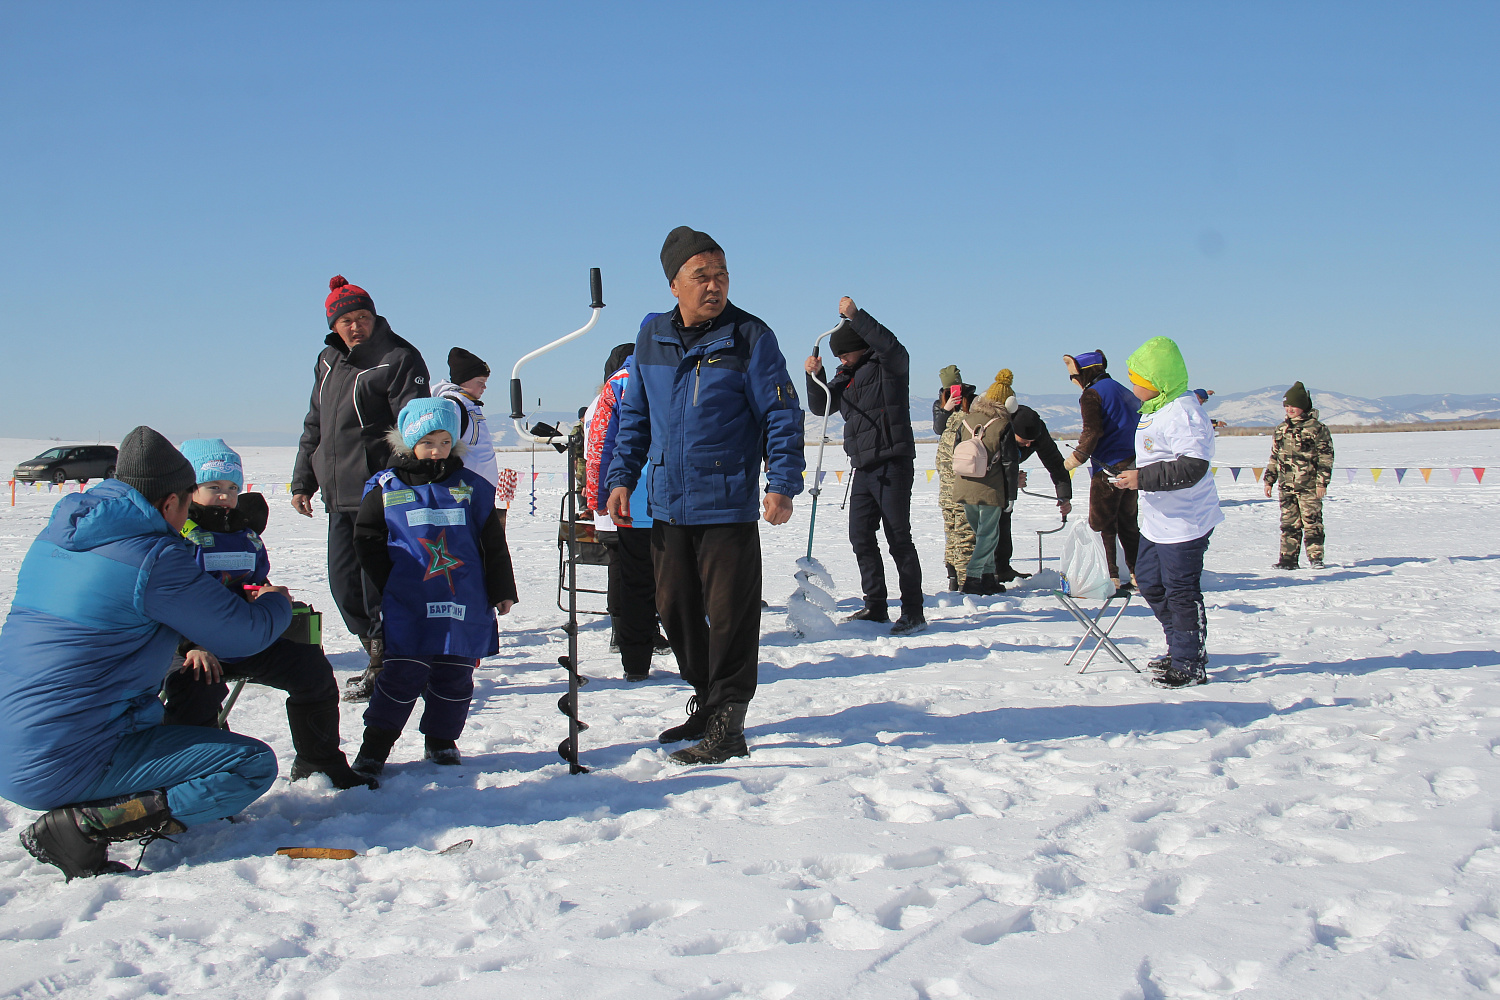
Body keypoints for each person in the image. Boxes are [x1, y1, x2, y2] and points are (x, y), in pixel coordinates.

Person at [0, 427, 293, 881]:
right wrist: (276, 603)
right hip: (65, 759)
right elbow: (243, 636)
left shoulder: (59, 537)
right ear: (170, 502)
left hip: (15, 745)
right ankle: (85, 825)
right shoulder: (153, 556)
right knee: (249, 765)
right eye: (186, 504)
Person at [606, 226, 805, 765]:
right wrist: (621, 477)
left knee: (731, 616)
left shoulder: (750, 336)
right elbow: (635, 416)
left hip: (725, 501)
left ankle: (729, 721)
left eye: (721, 275)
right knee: (674, 608)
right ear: (674, 284)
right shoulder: (651, 337)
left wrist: (781, 483)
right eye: (702, 276)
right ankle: (707, 699)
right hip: (667, 502)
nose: (714, 285)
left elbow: (782, 414)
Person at [161, 439, 373, 789]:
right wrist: (190, 646)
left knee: (311, 668)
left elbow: (254, 579)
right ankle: (197, 781)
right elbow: (169, 598)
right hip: (190, 645)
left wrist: (264, 595)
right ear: (190, 490)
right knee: (195, 687)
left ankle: (319, 763)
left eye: (232, 488)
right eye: (214, 487)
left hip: (242, 636)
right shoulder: (179, 537)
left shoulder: (245, 535)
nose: (225, 496)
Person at [348, 399, 517, 777]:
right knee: (401, 674)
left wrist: (502, 589)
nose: (437, 450)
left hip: (462, 598)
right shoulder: (385, 487)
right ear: (410, 443)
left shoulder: (472, 486)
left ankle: (441, 740)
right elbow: (367, 541)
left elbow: (492, 541)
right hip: (409, 600)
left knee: (455, 674)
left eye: (444, 442)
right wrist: (387, 583)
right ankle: (375, 747)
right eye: (428, 443)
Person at [291, 276, 430, 702]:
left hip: (381, 494)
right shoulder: (327, 361)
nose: (356, 327)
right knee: (344, 585)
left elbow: (414, 427)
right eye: (346, 320)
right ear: (334, 325)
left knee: (377, 589)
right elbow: (315, 424)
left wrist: (403, 480)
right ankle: (379, 652)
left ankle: (386, 666)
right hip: (339, 494)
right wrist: (303, 480)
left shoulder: (398, 358)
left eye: (363, 317)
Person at [804, 299, 925, 634]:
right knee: (860, 535)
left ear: (860, 345)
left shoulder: (889, 364)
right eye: (837, 356)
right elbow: (821, 406)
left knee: (898, 537)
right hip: (863, 466)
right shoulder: (845, 375)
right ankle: (876, 605)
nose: (841, 359)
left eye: (844, 353)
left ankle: (913, 611)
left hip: (892, 462)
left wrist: (856, 317)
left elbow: (891, 345)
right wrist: (814, 375)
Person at [1110, 337, 1223, 688]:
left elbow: (1193, 466)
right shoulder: (1157, 408)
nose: (1132, 387)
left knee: (1180, 590)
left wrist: (1141, 478)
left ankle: (1189, 662)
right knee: (1149, 582)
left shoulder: (1183, 413)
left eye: (1137, 381)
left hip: (1186, 522)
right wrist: (1131, 474)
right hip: (1158, 521)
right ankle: (1180, 649)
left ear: (1158, 381)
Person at [584, 334, 668, 681]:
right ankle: (695, 660)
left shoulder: (617, 384)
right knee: (683, 582)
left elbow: (599, 445)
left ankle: (635, 662)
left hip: (631, 499)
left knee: (634, 582)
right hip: (678, 501)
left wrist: (597, 496)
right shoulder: (686, 371)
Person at [1063, 350, 1142, 589]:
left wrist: (1075, 458)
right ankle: (1139, 573)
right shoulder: (1123, 390)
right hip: (1133, 465)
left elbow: (1092, 431)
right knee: (1128, 522)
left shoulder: (1092, 394)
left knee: (1101, 524)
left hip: (1108, 466)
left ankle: (1109, 577)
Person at [950, 370, 1021, 595]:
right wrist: (1011, 495)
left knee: (981, 533)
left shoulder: (966, 421)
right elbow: (1010, 463)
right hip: (990, 489)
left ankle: (989, 577)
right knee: (988, 535)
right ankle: (973, 578)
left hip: (964, 486)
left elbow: (955, 452)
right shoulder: (1003, 425)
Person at [998, 405, 1074, 580]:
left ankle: (1001, 568)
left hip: (1005, 479)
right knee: (991, 519)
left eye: (1031, 441)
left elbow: (1056, 463)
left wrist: (1064, 496)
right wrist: (1010, 479)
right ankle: (983, 574)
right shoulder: (999, 429)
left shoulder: (1038, 432)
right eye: (1024, 441)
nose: (1028, 445)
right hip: (980, 480)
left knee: (1005, 514)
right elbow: (986, 466)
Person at [1263, 381, 1334, 569]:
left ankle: (1316, 558)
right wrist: (1269, 480)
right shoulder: (1281, 429)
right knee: (1288, 524)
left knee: (1312, 523)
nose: (1290, 409)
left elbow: (1326, 457)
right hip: (1286, 486)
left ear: (1303, 406)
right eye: (1286, 406)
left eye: (1293, 405)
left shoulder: (1316, 428)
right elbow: (1274, 457)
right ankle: (1288, 560)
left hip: (1309, 486)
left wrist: (1322, 483)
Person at [933, 366, 978, 590]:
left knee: (964, 530)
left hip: (964, 477)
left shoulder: (973, 403)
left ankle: (965, 577)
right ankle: (956, 574)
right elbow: (938, 428)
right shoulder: (941, 404)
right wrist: (946, 409)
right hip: (948, 483)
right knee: (952, 529)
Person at [433, 347, 500, 490]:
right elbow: (446, 447)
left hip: (480, 484)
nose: (484, 387)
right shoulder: (453, 405)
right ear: (464, 381)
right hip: (465, 486)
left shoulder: (469, 404)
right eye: (480, 382)